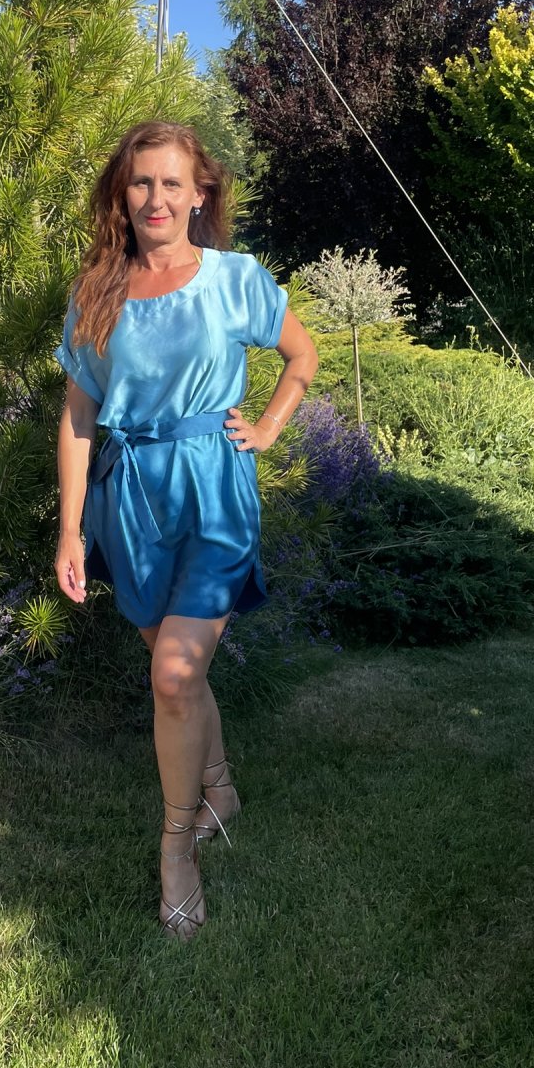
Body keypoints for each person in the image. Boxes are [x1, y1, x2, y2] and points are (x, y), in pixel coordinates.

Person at [53, 121, 318, 939]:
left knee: (172, 675)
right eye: (141, 183)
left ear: (199, 194)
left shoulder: (234, 278)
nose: (156, 198)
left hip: (213, 491)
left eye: (172, 183)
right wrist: (70, 530)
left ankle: (177, 847)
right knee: (182, 676)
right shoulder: (98, 290)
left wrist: (268, 427)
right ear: (122, 194)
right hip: (132, 499)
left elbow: (301, 356)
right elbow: (79, 414)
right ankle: (220, 786)